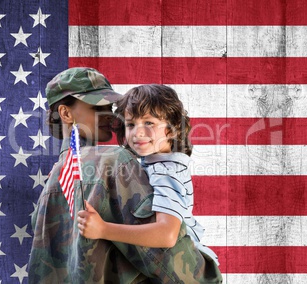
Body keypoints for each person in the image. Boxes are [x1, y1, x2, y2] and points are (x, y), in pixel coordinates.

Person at [29, 67, 223, 283]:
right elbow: (167, 259)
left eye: (109, 106)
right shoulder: (116, 161)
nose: (110, 115)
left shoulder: (53, 181)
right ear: (66, 113)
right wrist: (207, 277)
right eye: (96, 106)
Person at [77, 84, 220, 266]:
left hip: (184, 266)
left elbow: (167, 235)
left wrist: (103, 229)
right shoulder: (154, 164)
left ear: (171, 128)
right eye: (130, 124)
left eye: (149, 123)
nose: (138, 132)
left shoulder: (166, 172)